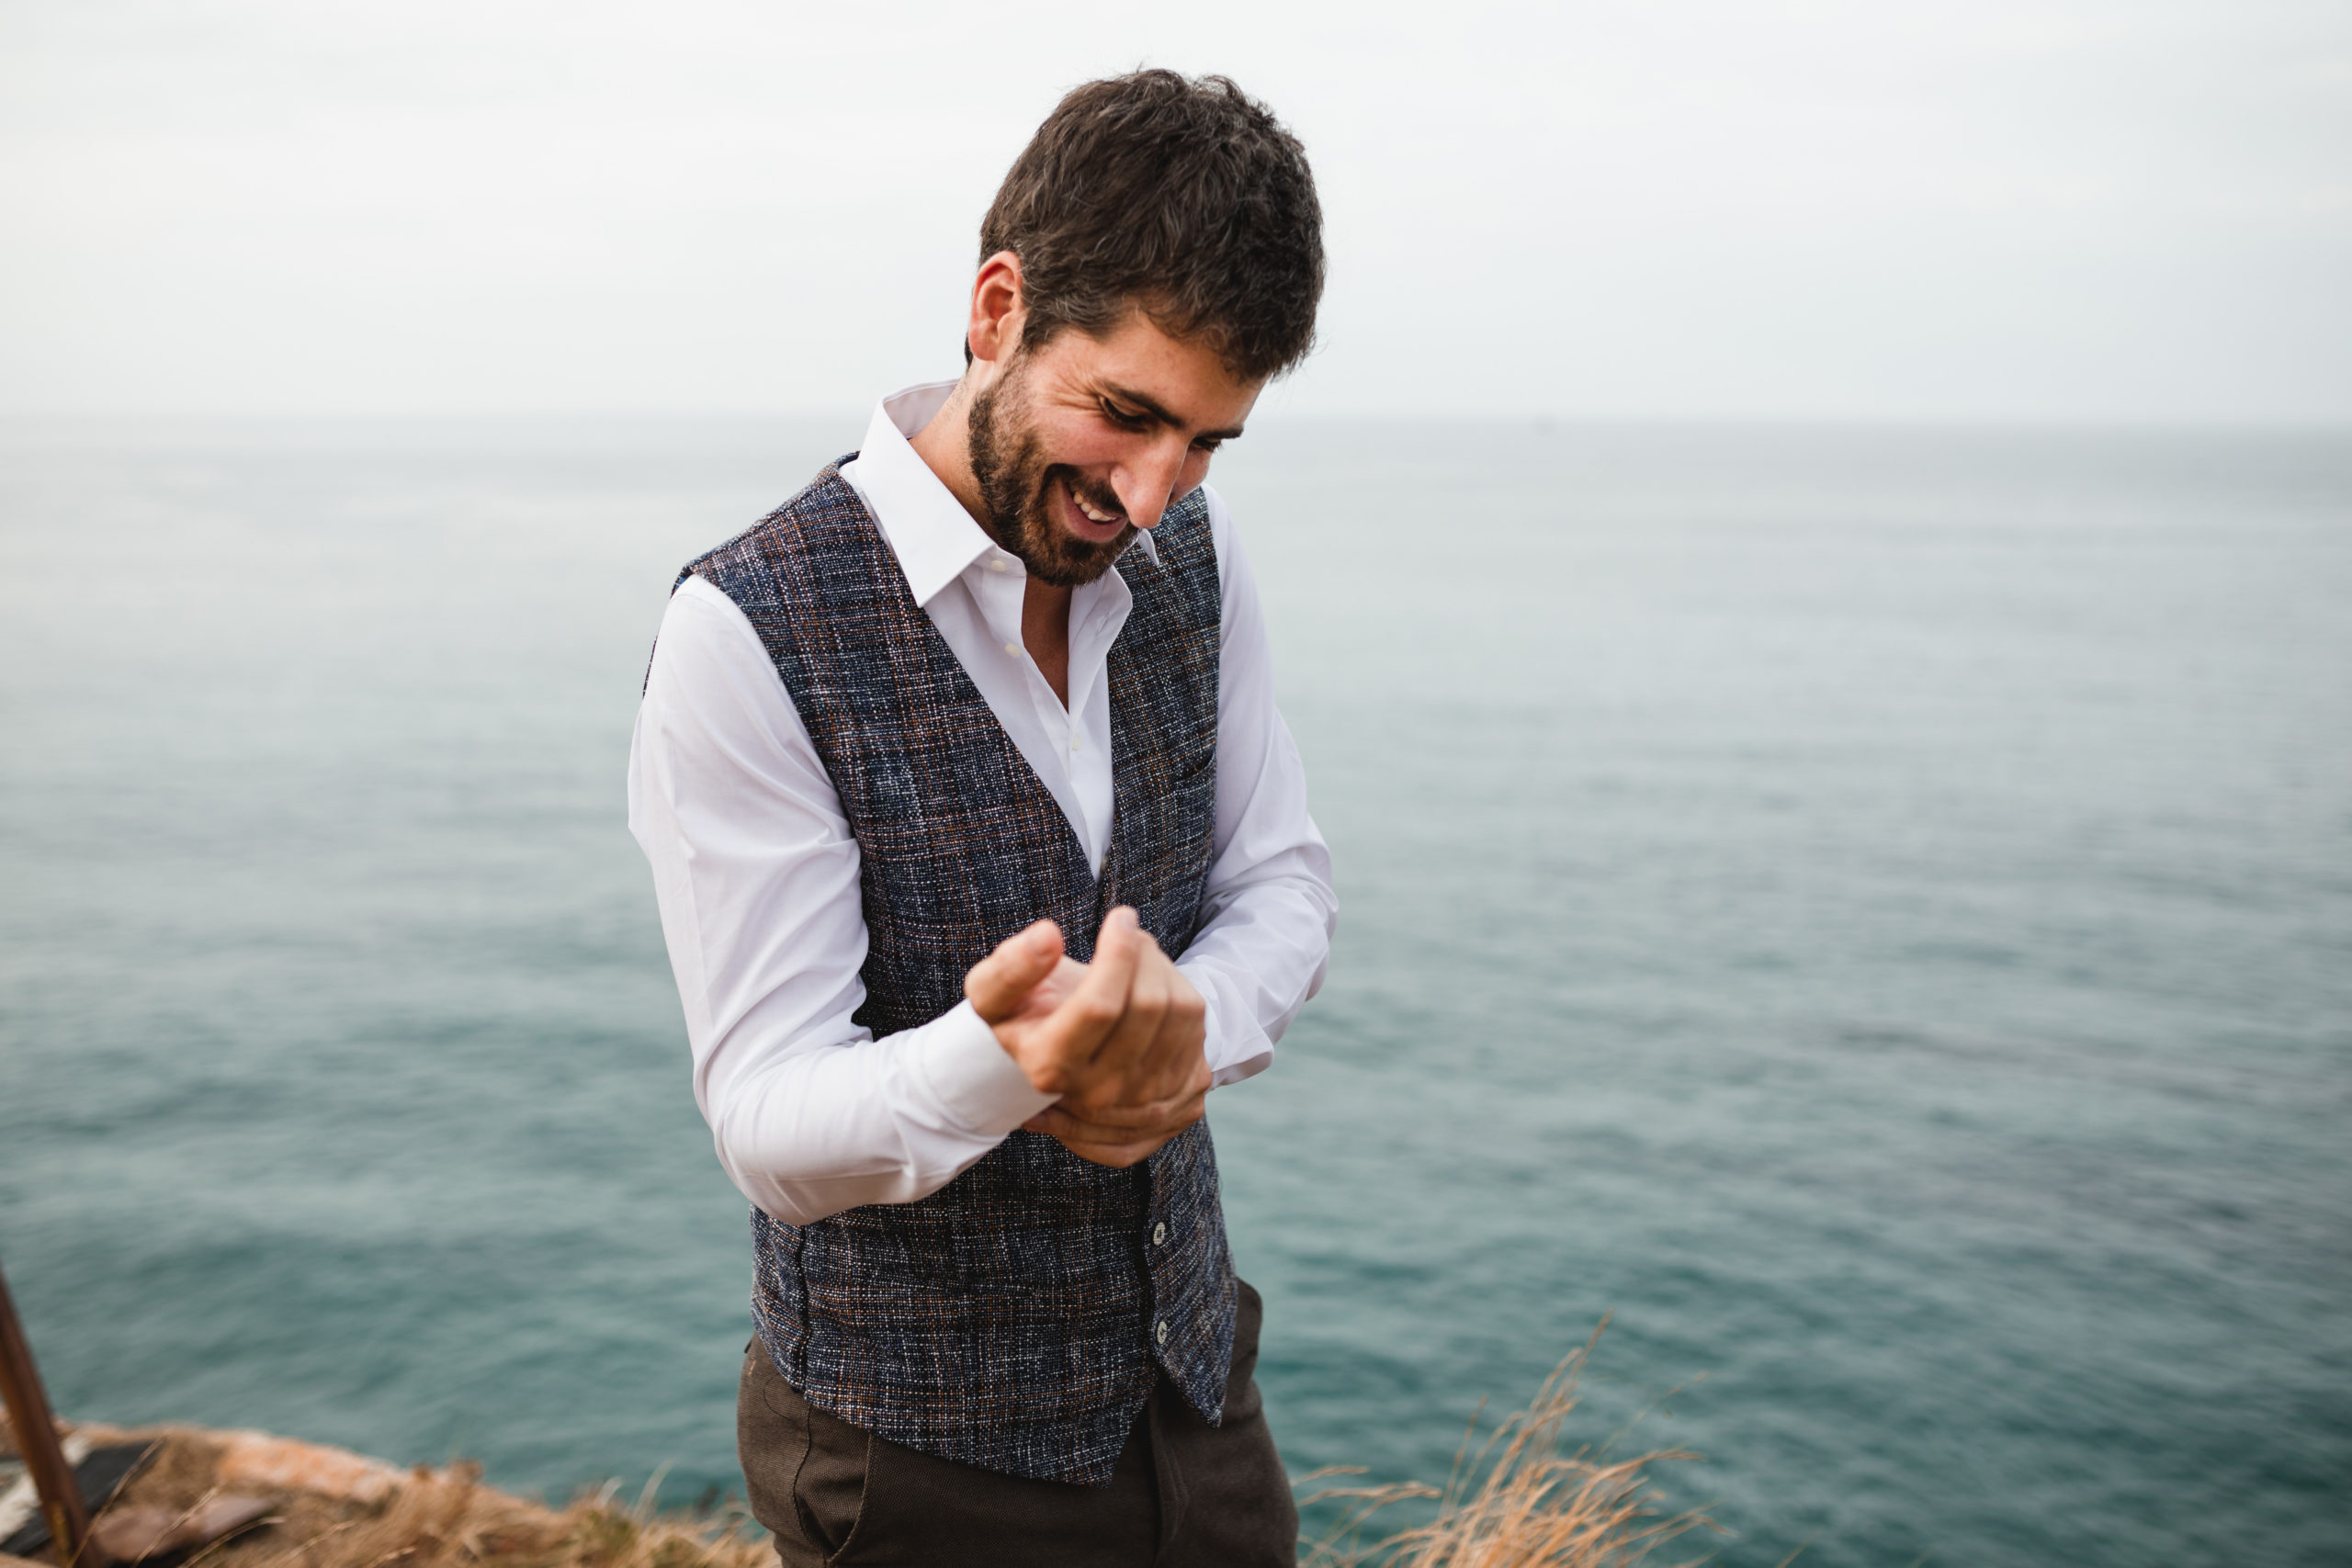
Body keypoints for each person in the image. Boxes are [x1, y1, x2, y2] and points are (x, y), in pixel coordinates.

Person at [627, 70, 1334, 1567]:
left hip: (1198, 1399)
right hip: (917, 1467)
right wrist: (1010, 1062)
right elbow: (766, 1122)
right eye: (1126, 415)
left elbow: (1281, 884)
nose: (1155, 494)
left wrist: (1180, 1030)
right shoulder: (748, 632)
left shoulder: (1192, 551)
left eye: (1205, 442)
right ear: (998, 307)